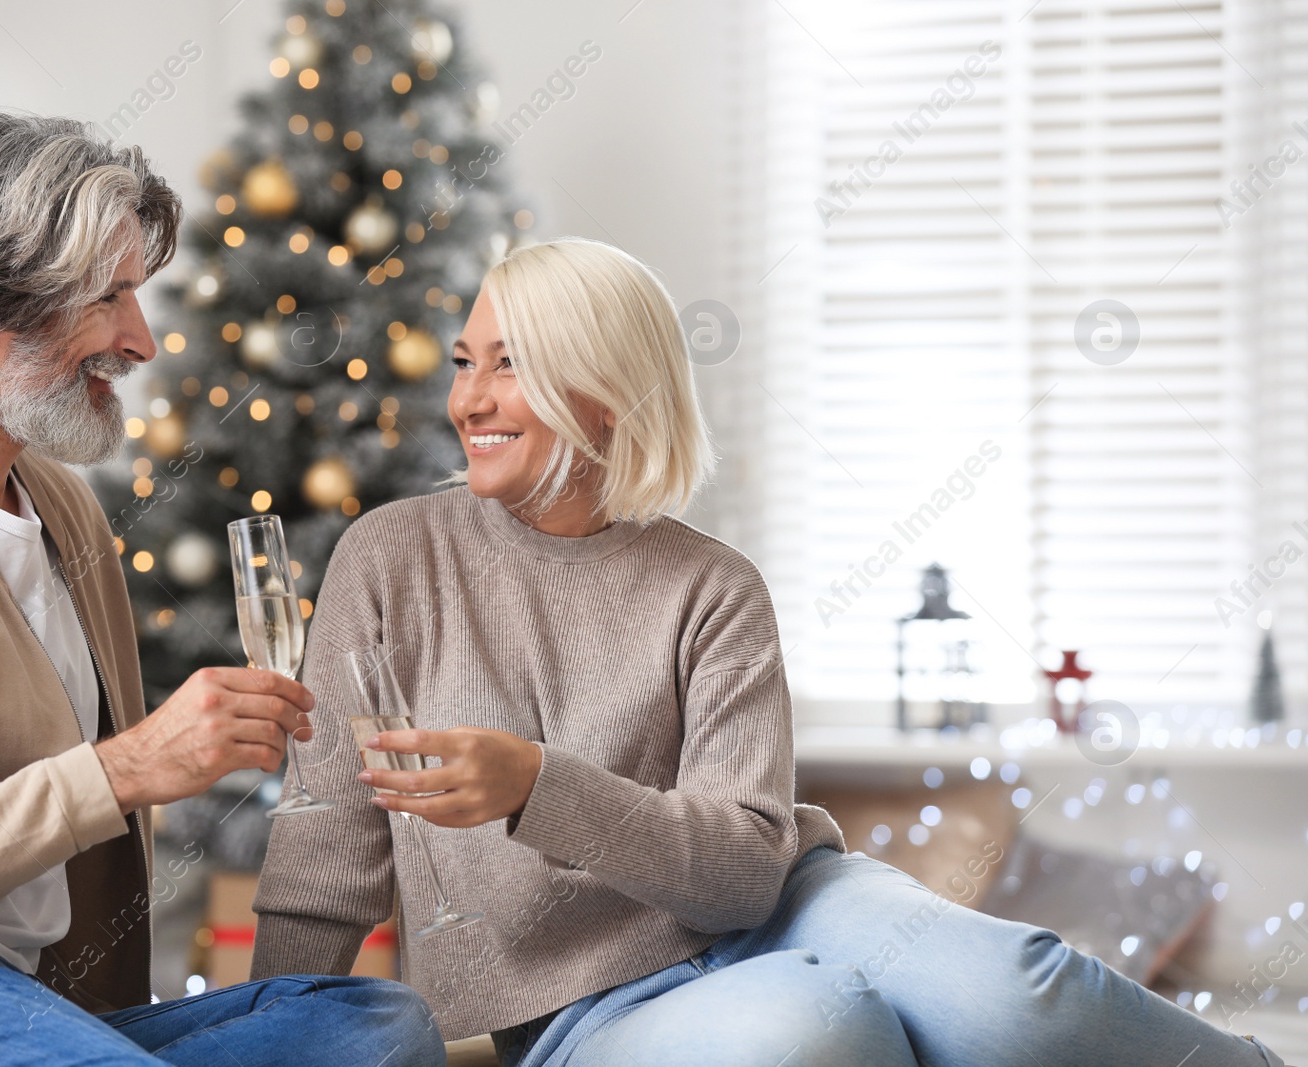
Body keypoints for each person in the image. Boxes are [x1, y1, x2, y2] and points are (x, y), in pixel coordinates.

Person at [249, 236, 1288, 1066]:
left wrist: (535, 785)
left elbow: (747, 872)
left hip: (796, 902)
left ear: (603, 389)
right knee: (819, 1028)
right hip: (575, 1004)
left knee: (1020, 994)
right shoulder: (392, 556)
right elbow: (325, 851)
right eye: (466, 362)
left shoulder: (711, 585)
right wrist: (255, 1042)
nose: (466, 400)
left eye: (508, 366)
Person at [0, 111, 443, 1067]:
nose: (141, 341)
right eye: (107, 298)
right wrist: (127, 768)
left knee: (378, 1028)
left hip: (26, 1000)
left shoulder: (60, 506)